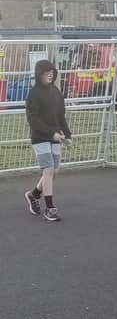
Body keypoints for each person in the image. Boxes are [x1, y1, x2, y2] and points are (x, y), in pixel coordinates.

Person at [24, 60, 71, 222]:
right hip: (40, 137)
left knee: (54, 172)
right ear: (39, 74)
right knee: (49, 170)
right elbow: (33, 119)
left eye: (52, 72)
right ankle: (50, 208)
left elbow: (60, 116)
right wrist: (52, 133)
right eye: (46, 72)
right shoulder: (33, 94)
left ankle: (34, 194)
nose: (50, 74)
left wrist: (67, 134)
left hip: (55, 137)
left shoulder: (56, 92)